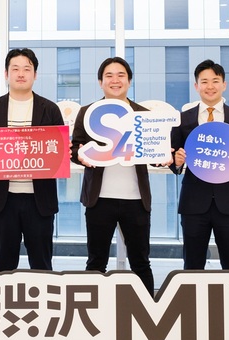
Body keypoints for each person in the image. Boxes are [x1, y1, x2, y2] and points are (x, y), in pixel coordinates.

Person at [71, 57, 156, 297]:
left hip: (136, 199)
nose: (115, 80)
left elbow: (155, 152)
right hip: (99, 199)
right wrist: (80, 156)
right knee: (96, 262)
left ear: (129, 81)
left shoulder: (143, 114)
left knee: (141, 262)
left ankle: (148, 312)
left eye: (121, 75)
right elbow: (75, 148)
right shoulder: (87, 112)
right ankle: (93, 312)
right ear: (100, 82)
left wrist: (164, 156)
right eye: (109, 75)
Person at [170, 59, 229, 270]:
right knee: (192, 265)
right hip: (193, 203)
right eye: (204, 81)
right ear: (196, 86)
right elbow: (173, 155)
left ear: (224, 84)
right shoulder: (182, 119)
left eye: (215, 81)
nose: (210, 86)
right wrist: (176, 161)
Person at [0, 48, 64, 271]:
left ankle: (43, 296)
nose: (21, 74)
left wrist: (67, 151)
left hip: (40, 201)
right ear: (6, 74)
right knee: (3, 266)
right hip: (3, 201)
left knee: (42, 265)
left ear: (35, 74)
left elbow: (59, 152)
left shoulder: (50, 109)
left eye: (27, 69)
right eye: (15, 69)